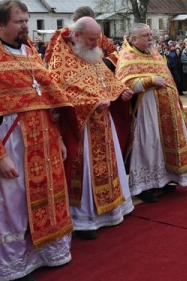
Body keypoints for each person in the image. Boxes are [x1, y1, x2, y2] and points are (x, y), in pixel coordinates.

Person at [0, 0, 73, 281]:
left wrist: (58, 138)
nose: (26, 25)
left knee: (46, 201)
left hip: (44, 144)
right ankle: (9, 265)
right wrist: (0, 157)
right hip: (12, 146)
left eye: (26, 20)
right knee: (11, 206)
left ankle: (46, 253)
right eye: (19, 21)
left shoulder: (30, 52)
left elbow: (48, 99)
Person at [48, 17, 134, 240]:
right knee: (86, 172)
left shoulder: (93, 55)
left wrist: (121, 90)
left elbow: (107, 80)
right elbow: (60, 96)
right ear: (77, 36)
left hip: (103, 123)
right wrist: (92, 103)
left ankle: (110, 209)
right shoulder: (61, 62)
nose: (97, 44)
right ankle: (84, 219)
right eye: (92, 39)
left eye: (98, 39)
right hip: (81, 129)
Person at [116, 24, 187, 203]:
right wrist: (149, 81)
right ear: (133, 38)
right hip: (146, 109)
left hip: (166, 109)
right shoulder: (127, 55)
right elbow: (123, 84)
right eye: (146, 35)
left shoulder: (154, 54)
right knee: (148, 144)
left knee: (161, 144)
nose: (150, 38)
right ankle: (144, 186)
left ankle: (166, 178)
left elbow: (167, 77)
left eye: (151, 34)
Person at [44, 5, 117, 64]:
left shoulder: (99, 36)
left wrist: (103, 64)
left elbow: (114, 55)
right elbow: (49, 59)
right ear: (74, 20)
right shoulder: (60, 35)